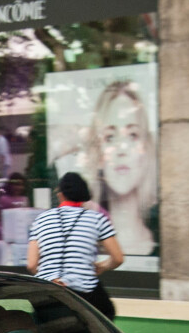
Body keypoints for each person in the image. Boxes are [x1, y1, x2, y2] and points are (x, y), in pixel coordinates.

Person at [26, 172, 124, 320]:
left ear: (60, 194)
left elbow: (32, 264)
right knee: (106, 312)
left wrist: (50, 275)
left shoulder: (41, 219)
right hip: (84, 294)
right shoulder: (97, 219)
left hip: (47, 292)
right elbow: (118, 258)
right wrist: (103, 266)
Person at [87, 80, 157, 256]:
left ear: (146, 149)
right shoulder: (84, 242)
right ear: (98, 151)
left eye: (132, 135)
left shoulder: (160, 242)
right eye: (110, 137)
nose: (121, 150)